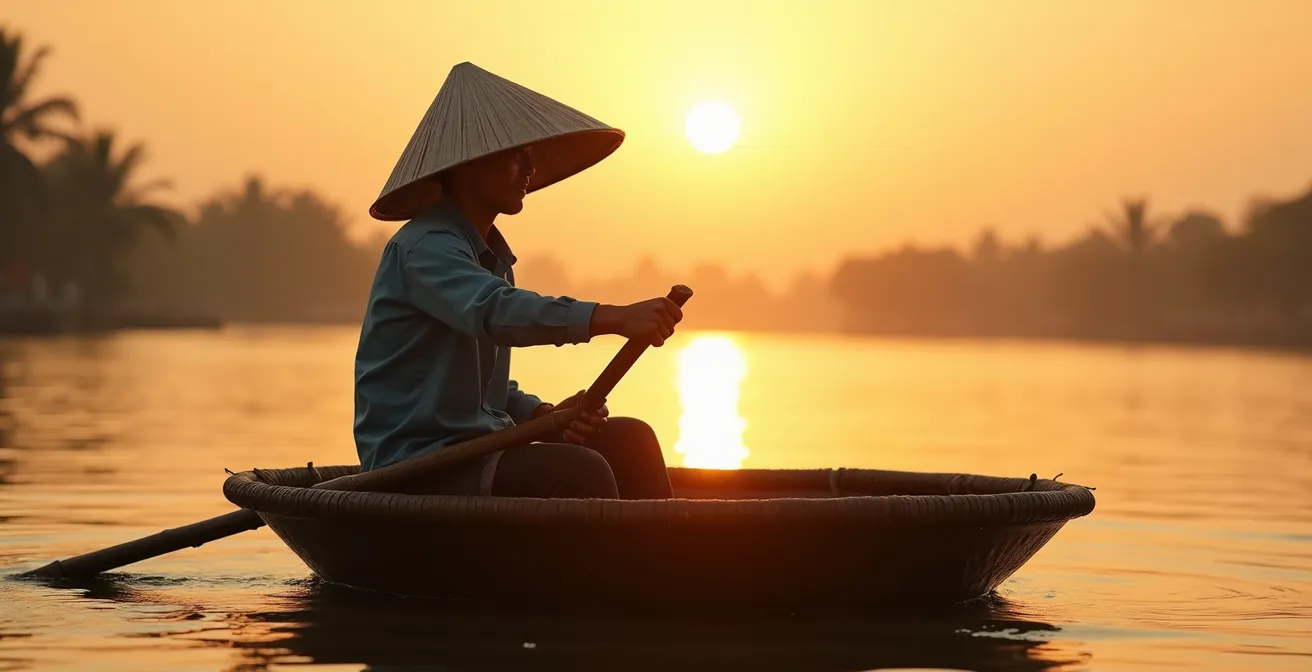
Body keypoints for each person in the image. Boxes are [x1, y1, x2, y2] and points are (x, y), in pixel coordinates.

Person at [353, 62, 680, 500]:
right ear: (469, 163)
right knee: (580, 472)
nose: (529, 168)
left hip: (478, 449)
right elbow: (494, 312)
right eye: (516, 154)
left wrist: (544, 414)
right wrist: (615, 317)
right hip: (419, 466)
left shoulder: (490, 257)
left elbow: (485, 389)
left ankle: (662, 565)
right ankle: (613, 568)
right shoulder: (425, 249)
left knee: (630, 440)